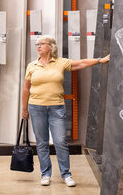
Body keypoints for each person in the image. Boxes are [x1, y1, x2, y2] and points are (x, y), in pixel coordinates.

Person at [21, 35, 110, 187]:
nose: (38, 46)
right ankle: (45, 174)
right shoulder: (32, 65)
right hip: (36, 108)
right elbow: (26, 88)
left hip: (56, 108)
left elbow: (81, 63)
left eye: (42, 44)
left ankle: (66, 174)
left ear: (51, 46)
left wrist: (99, 60)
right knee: (41, 143)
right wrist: (24, 109)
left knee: (60, 141)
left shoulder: (61, 62)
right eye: (37, 44)